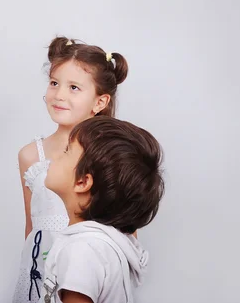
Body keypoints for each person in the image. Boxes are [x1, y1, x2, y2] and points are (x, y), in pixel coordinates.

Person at [13, 36, 129, 302]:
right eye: (54, 83)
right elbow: (32, 228)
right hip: (39, 272)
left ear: (99, 102)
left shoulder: (110, 154)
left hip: (86, 275)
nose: (59, 95)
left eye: (74, 87)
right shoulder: (31, 155)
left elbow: (126, 228)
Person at [40, 116, 165, 303]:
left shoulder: (81, 251)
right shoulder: (107, 244)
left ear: (83, 182)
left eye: (67, 151)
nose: (56, 155)